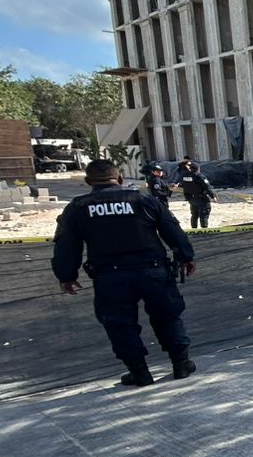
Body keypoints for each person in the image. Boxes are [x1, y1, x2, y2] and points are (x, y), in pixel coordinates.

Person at [52, 158, 197, 386]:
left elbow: (66, 245)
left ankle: (139, 373)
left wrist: (66, 276)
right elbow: (172, 230)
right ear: (119, 178)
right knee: (167, 316)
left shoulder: (78, 208)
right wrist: (185, 257)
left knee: (120, 325)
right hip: (153, 272)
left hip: (111, 277)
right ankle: (181, 365)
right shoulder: (143, 201)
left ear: (89, 181)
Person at [178, 158, 217, 228]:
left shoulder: (185, 176)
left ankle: (194, 230)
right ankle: (204, 230)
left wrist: (187, 197)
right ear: (198, 169)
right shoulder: (199, 176)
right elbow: (207, 187)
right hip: (201, 198)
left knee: (194, 214)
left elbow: (184, 186)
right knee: (204, 214)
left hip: (191, 198)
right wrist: (213, 196)